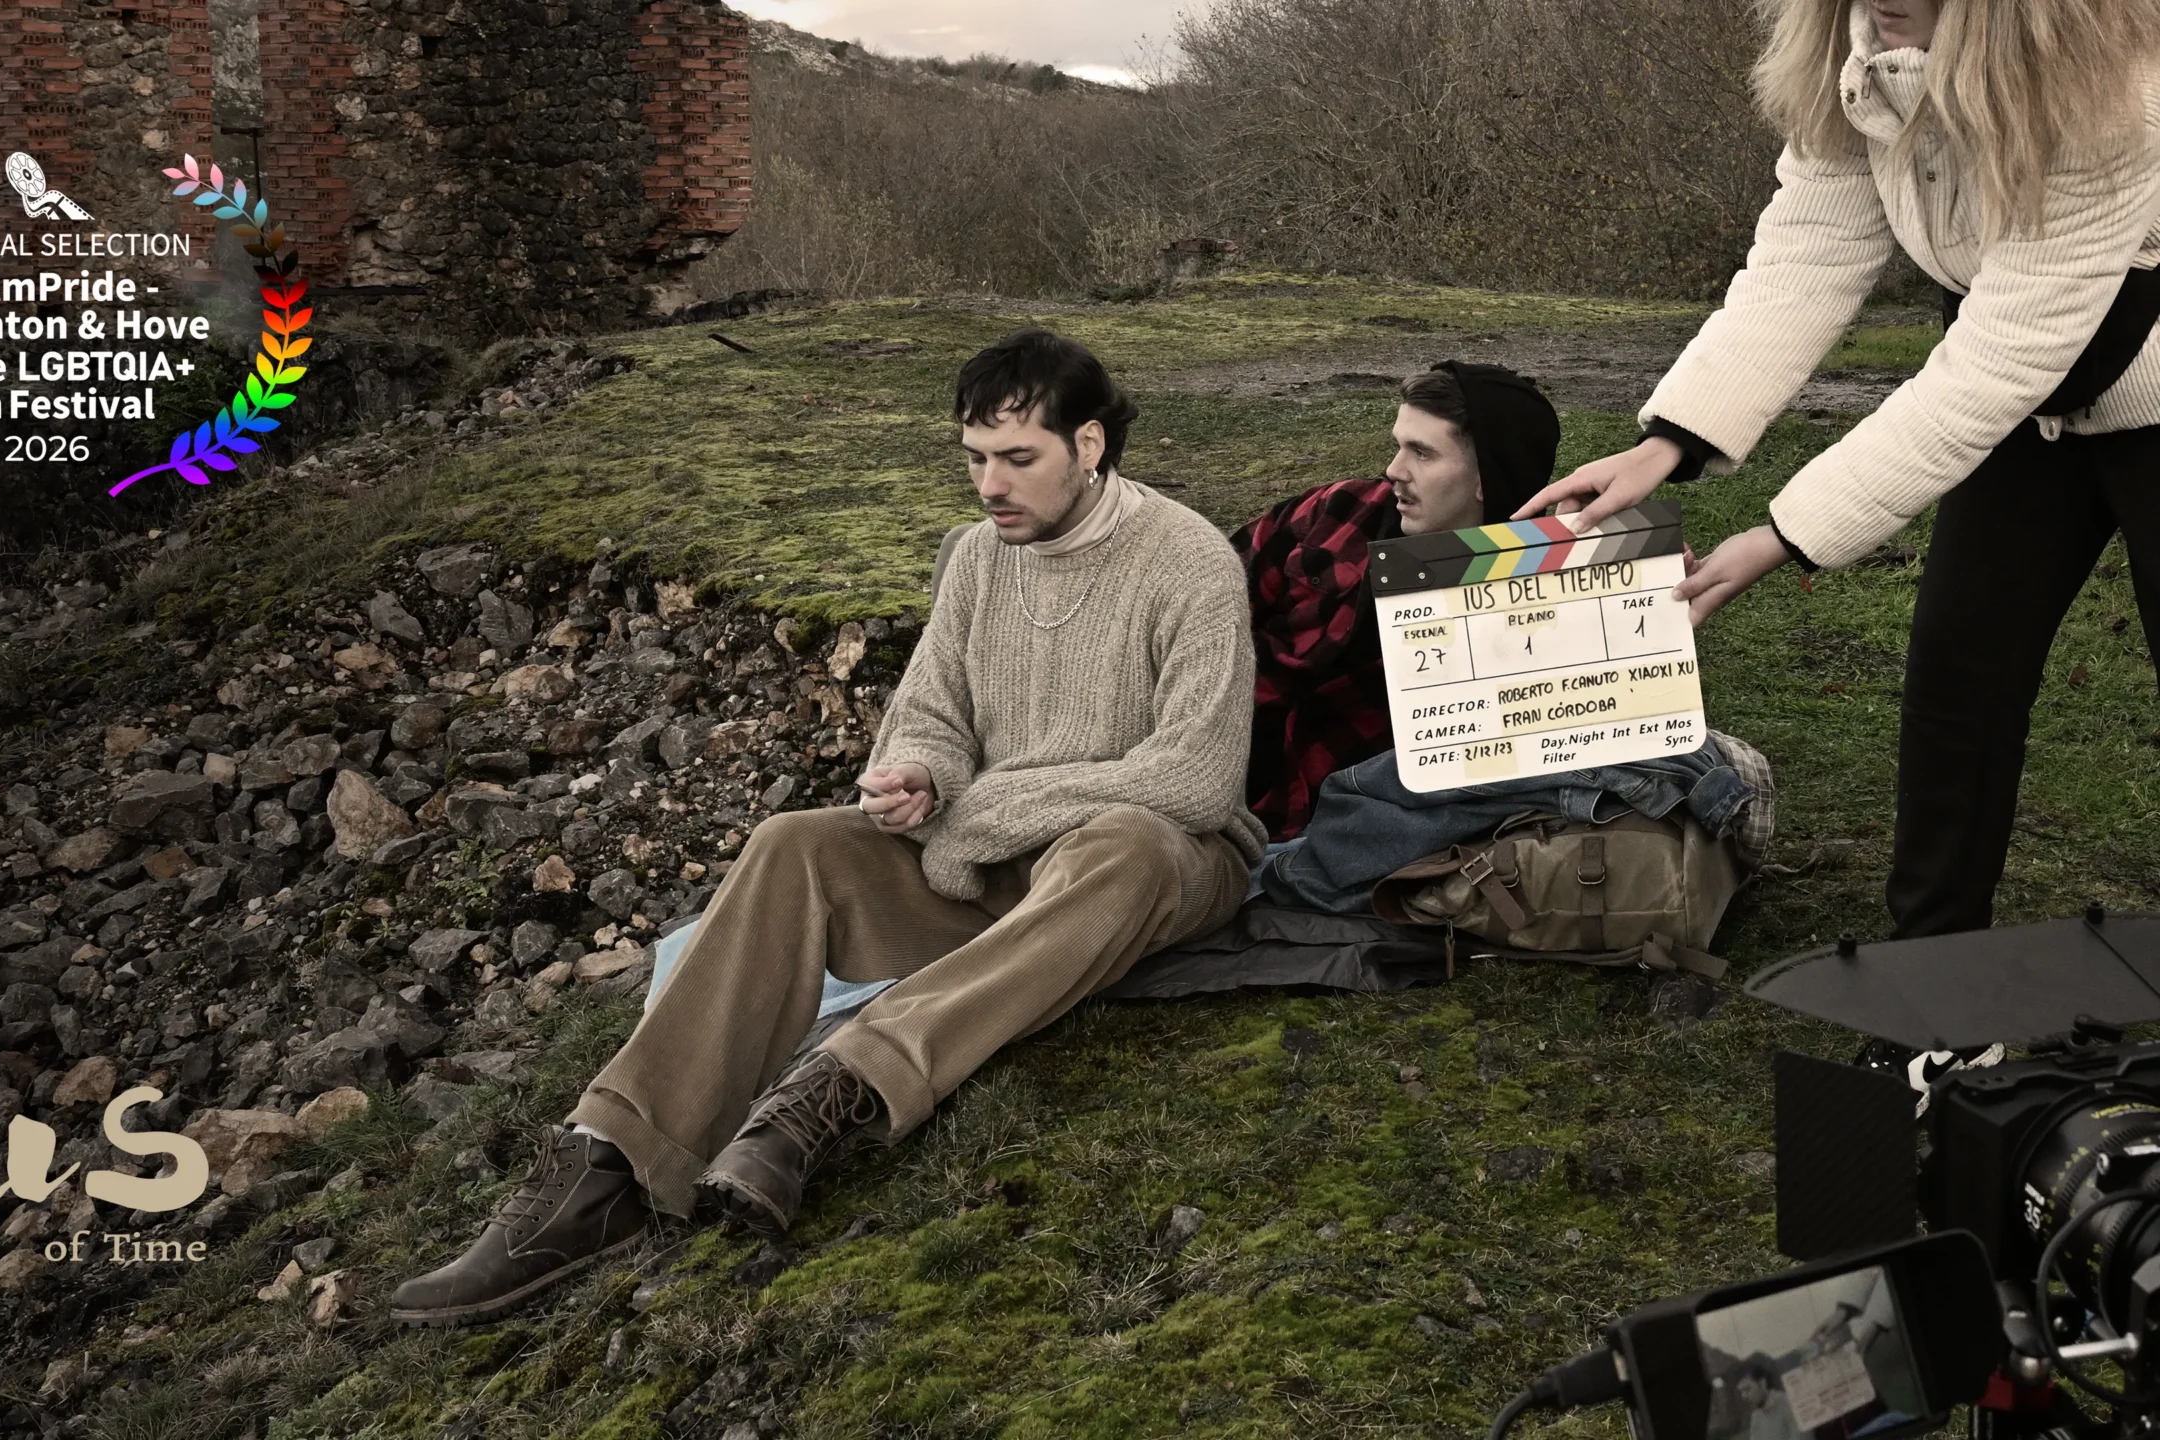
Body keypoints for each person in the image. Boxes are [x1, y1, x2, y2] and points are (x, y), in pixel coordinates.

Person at [388, 329, 1265, 1327]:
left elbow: (1196, 778)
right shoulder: (978, 558)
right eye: (975, 457)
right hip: (988, 870)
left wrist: (979, 811)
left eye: (1019, 458)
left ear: (1090, 444)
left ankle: (835, 1088)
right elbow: (929, 717)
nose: (990, 485)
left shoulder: (1190, 561)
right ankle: (611, 1165)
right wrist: (921, 776)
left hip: (1153, 870)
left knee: (1127, 844)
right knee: (794, 843)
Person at [1519, 0, 2160, 939]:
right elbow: (1805, 260)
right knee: (1959, 679)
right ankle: (1932, 971)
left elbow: (2002, 353)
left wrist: (1786, 533)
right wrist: (1669, 442)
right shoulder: (1860, 64)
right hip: (2032, 406)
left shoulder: (2113, 88)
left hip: (2122, 373)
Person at [1234, 362, 1560, 839]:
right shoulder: (1339, 510)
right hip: (1225, 763)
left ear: (1485, 479)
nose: (1394, 470)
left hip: (1356, 827)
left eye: (1422, 453)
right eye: (1399, 445)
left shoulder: (1545, 596)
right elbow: (1212, 589)